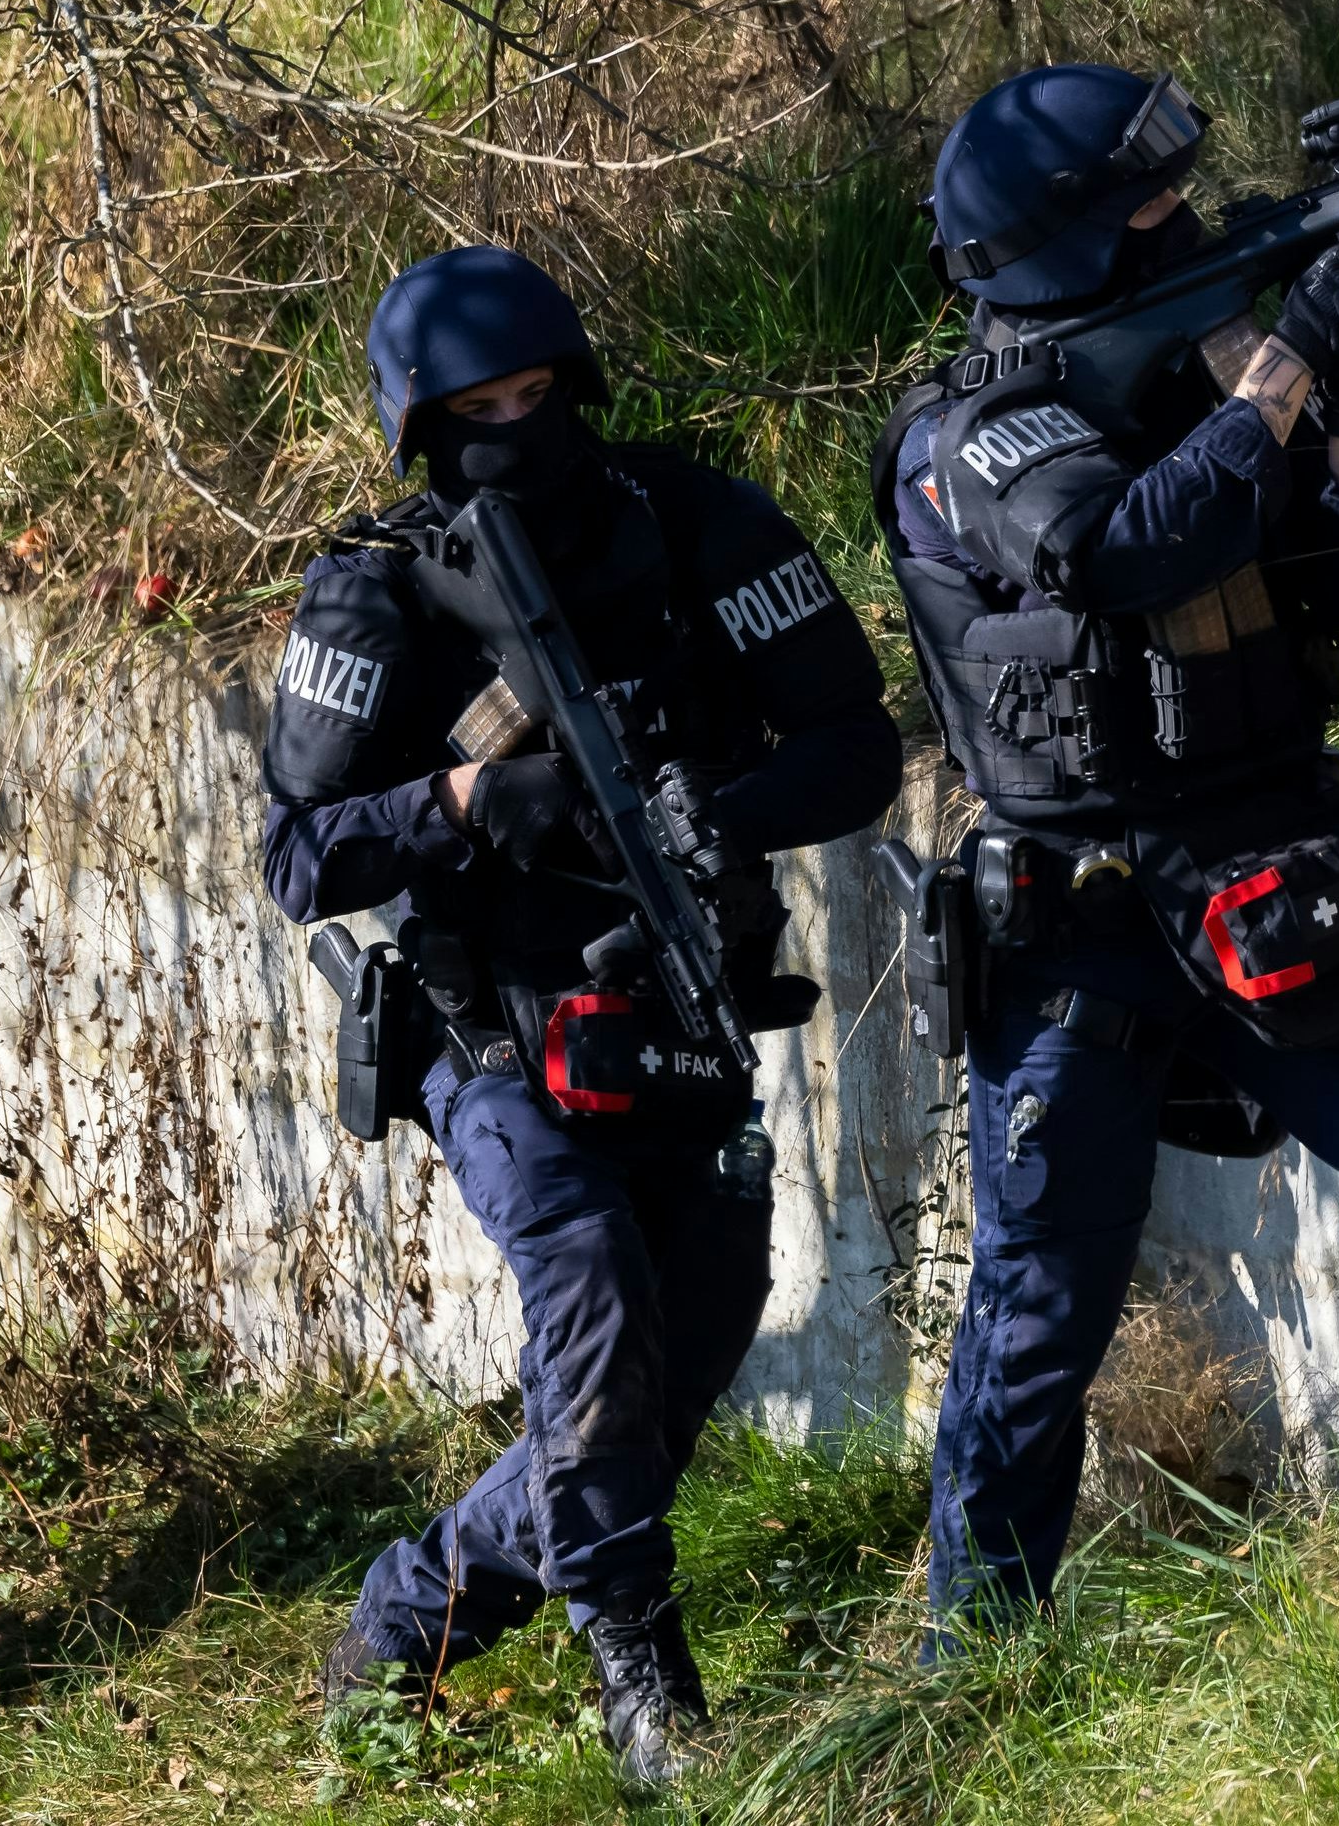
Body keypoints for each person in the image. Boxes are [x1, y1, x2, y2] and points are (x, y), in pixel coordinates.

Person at [876, 64, 1339, 1633]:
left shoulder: (1203, 374)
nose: (1182, 217)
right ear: (1054, 249)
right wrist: (1287, 360)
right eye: (1145, 207)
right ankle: (976, 1659)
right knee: (1043, 1308)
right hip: (1081, 917)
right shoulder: (972, 433)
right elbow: (1124, 544)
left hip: (1278, 869)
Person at [264, 245, 901, 1782]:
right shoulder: (379, 586)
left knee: (668, 1371)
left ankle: (406, 1617)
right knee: (594, 1298)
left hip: (683, 1013)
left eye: (539, 395)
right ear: (424, 429)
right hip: (495, 1035)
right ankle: (643, 1678)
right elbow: (299, 852)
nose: (518, 428)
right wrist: (473, 796)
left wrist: (718, 811)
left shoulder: (695, 525)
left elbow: (858, 744)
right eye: (479, 409)